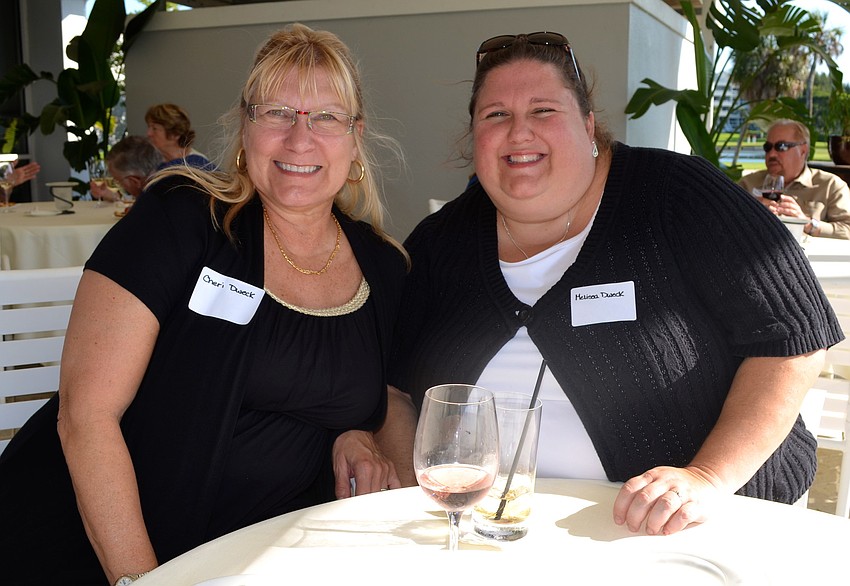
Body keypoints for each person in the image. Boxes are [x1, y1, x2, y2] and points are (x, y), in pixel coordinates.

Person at [379, 31, 843, 538]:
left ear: (588, 124)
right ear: (474, 137)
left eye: (543, 110)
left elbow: (794, 341)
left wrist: (706, 478)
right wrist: (419, 499)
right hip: (485, 532)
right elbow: (394, 390)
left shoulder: (677, 195)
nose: (519, 132)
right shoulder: (439, 242)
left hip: (686, 530)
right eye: (496, 115)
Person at [0, 23, 407, 585]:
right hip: (99, 549)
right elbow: (86, 415)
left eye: (326, 117)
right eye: (276, 113)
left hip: (262, 556)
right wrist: (143, 581)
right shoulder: (182, 218)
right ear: (245, 125)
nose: (299, 139)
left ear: (355, 136)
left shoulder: (383, 266)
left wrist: (352, 433)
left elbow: (360, 395)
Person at [738, 119, 850, 239]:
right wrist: (750, 216)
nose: (771, 154)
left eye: (781, 146)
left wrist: (808, 223)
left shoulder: (830, 186)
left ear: (803, 150)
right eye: (768, 147)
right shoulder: (747, 184)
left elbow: (847, 229)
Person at [89, 136, 163, 202]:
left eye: (118, 181)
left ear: (134, 181)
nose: (119, 185)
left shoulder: (150, 205)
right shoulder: (163, 186)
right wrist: (113, 196)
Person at [145, 102, 214, 170]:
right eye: (149, 127)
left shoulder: (199, 165)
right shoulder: (149, 162)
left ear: (175, 134)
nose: (148, 133)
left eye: (154, 128)